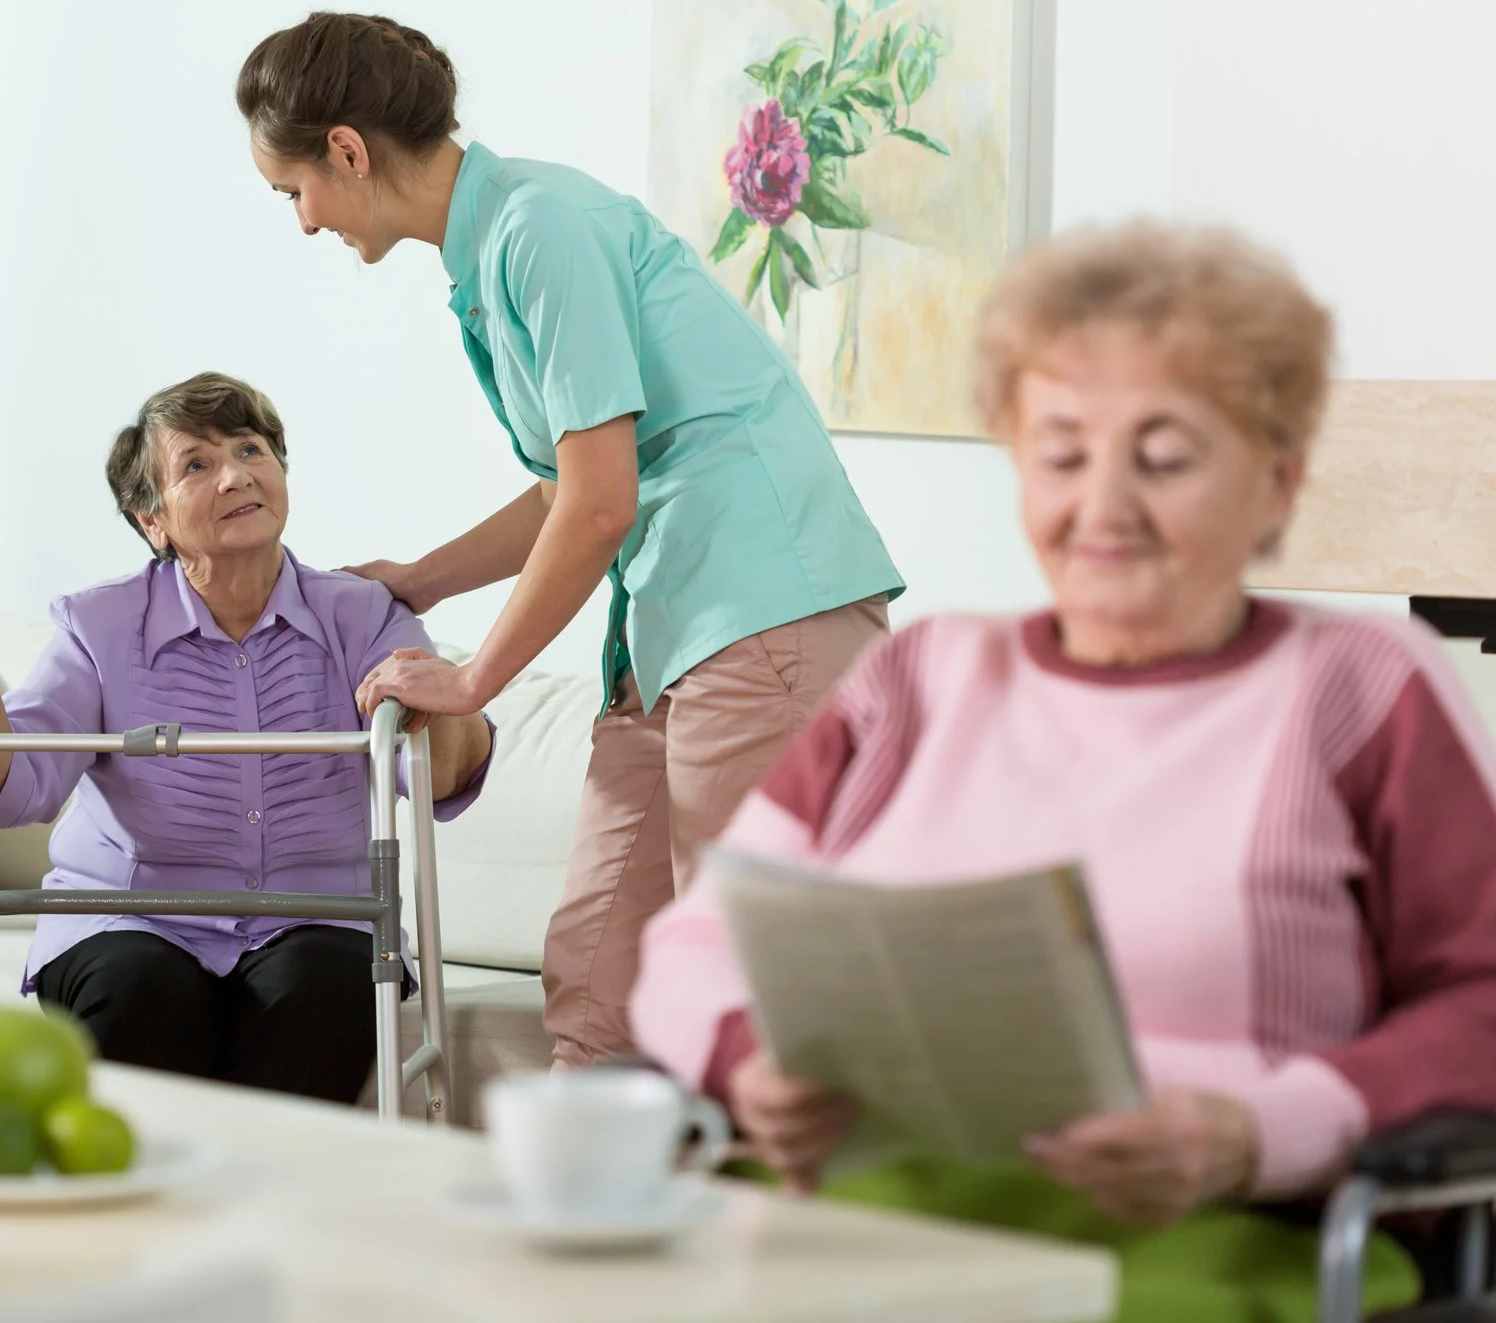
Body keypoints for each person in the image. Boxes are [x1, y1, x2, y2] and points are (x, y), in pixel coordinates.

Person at [629, 221, 1496, 1321]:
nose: (1103, 506)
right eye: (1060, 453)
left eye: (1165, 456)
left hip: (1204, 1237)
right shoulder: (920, 676)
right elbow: (696, 939)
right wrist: (749, 1063)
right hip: (858, 1211)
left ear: (1275, 482)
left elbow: (1480, 1003)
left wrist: (1252, 1133)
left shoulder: (1359, 688)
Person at [237, 12, 904, 1069]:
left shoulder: (538, 227)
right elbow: (566, 486)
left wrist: (474, 680)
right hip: (672, 632)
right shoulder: (495, 245)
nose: (306, 222)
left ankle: (788, 1228)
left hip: (764, 611)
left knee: (754, 994)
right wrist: (420, 579)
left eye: (294, 191)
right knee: (597, 974)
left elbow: (599, 501)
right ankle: (582, 1220)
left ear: (347, 152)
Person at [0, 372, 494, 1104]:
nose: (236, 474)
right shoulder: (97, 627)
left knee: (319, 987)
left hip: (319, 917)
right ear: (151, 519)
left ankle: (255, 1207)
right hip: (126, 917)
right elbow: (20, 781)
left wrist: (453, 694)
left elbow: (441, 778)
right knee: (141, 991)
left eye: (252, 449)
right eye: (197, 463)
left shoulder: (365, 614)